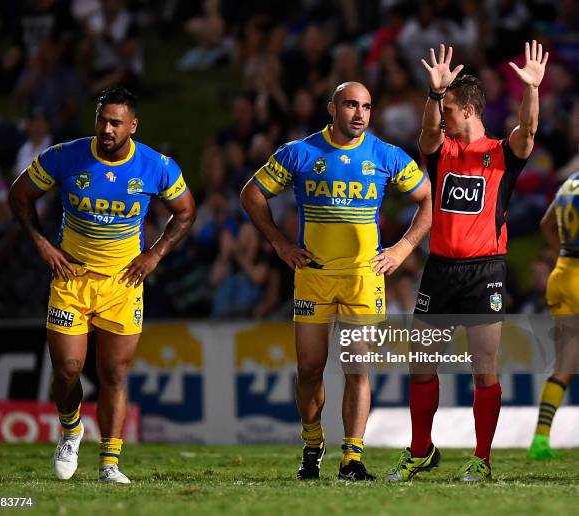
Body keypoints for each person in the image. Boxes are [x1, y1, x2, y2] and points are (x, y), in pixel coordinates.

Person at [240, 81, 432, 481]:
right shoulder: (300, 152)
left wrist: (402, 249)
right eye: (350, 105)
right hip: (314, 276)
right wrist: (279, 243)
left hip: (364, 277)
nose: (359, 113)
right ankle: (312, 444)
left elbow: (428, 198)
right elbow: (252, 194)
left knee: (357, 369)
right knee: (310, 369)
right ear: (332, 108)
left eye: (365, 106)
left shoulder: (385, 155)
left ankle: (352, 458)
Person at [8, 86, 196, 483]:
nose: (106, 128)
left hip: (123, 283)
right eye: (101, 119)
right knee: (68, 370)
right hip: (71, 279)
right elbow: (19, 195)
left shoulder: (156, 166)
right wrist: (43, 244)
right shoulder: (66, 156)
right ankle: (71, 429)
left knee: (113, 374)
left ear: (133, 125)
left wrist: (155, 254)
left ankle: (109, 463)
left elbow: (185, 212)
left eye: (115, 122)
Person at [385, 41, 548, 483]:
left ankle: (482, 459)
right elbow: (426, 134)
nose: (444, 116)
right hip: (439, 268)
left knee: (483, 369)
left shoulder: (501, 153)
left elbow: (528, 132)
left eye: (450, 109)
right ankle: (421, 451)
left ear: (470, 112)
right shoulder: (443, 151)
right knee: (421, 364)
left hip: (485, 272)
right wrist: (435, 94)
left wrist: (530, 88)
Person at [527, 172, 579, 460]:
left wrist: (561, 251)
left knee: (566, 364)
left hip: (562, 273)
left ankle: (541, 440)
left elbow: (546, 223)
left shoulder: (570, 182)